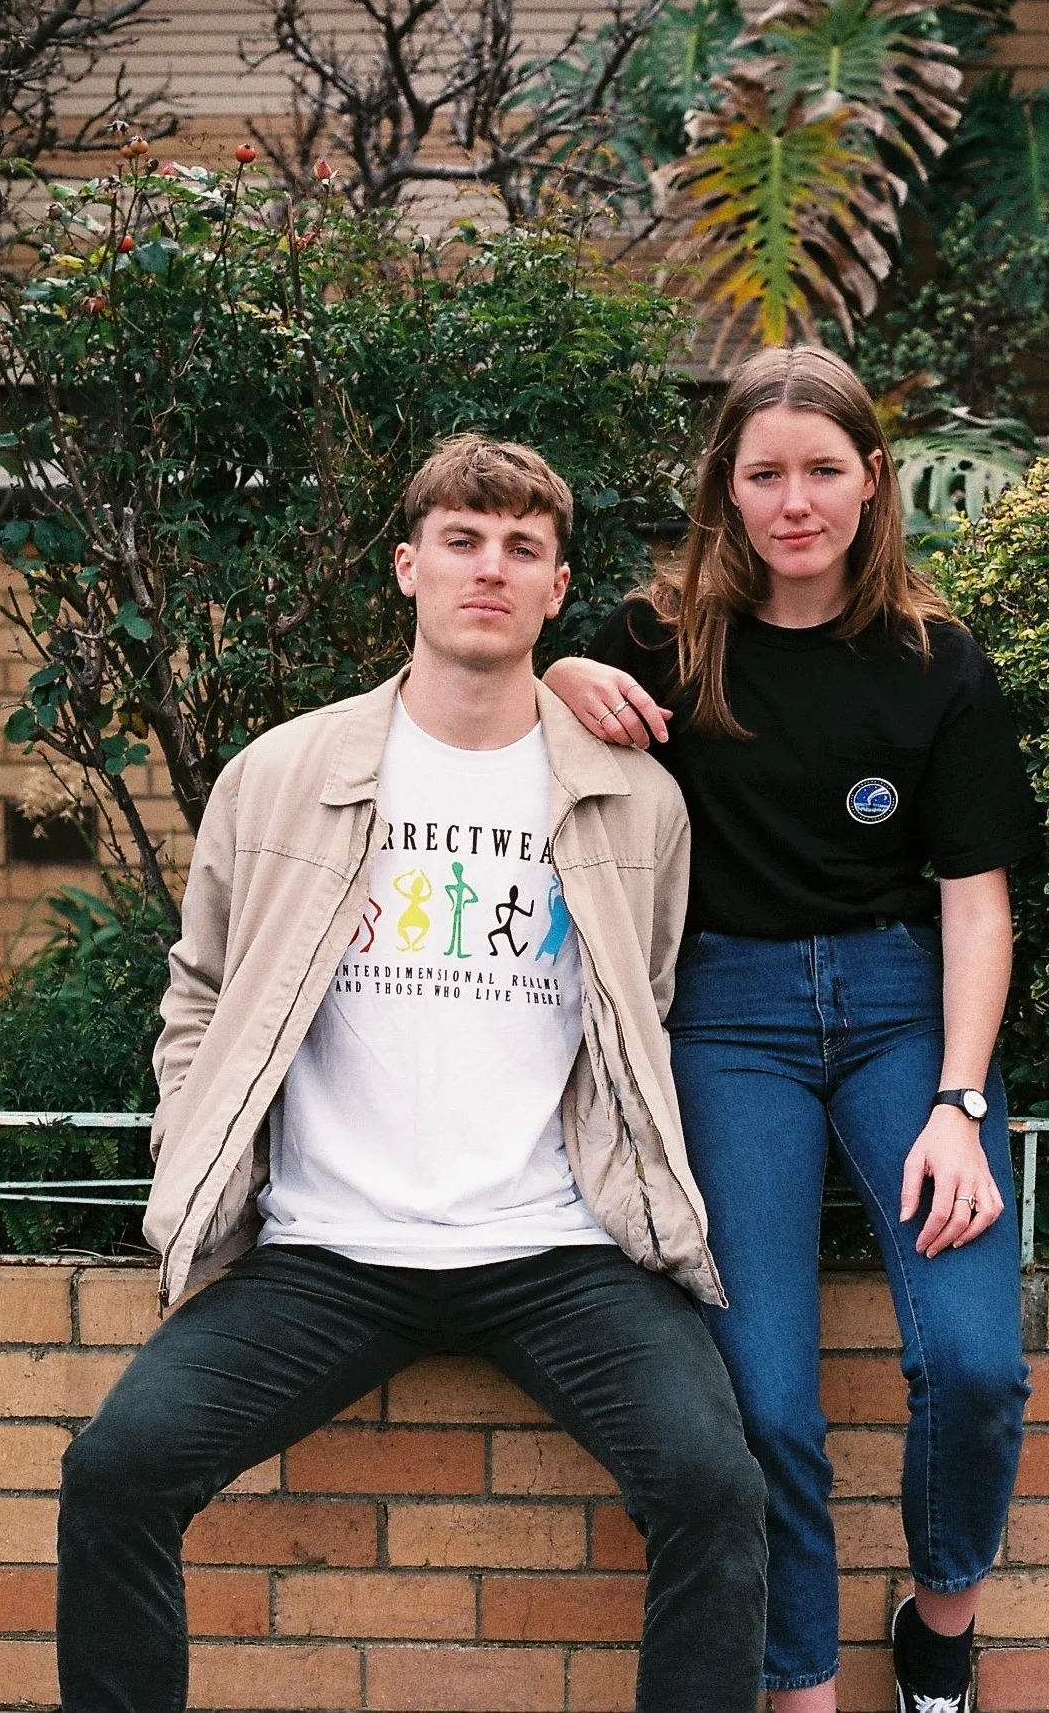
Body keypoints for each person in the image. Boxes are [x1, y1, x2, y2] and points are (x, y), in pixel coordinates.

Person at [56, 434, 768, 1713]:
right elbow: (200, 988)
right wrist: (192, 1141)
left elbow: (643, 996)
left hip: (556, 1250)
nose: (489, 569)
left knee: (715, 1489)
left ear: (557, 588)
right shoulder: (281, 774)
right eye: (461, 541)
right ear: (407, 567)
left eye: (521, 549)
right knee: (114, 1472)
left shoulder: (635, 801)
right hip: (327, 1252)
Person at [544, 347, 1042, 1713]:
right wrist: (558, 675)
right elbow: (488, 702)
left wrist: (958, 1103)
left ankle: (939, 1627)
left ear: (872, 479)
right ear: (727, 487)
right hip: (725, 1022)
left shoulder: (936, 663)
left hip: (902, 1017)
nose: (795, 501)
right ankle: (802, 1685)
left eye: (823, 470)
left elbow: (977, 903)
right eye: (764, 474)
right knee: (762, 1402)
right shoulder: (660, 642)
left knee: (974, 1362)